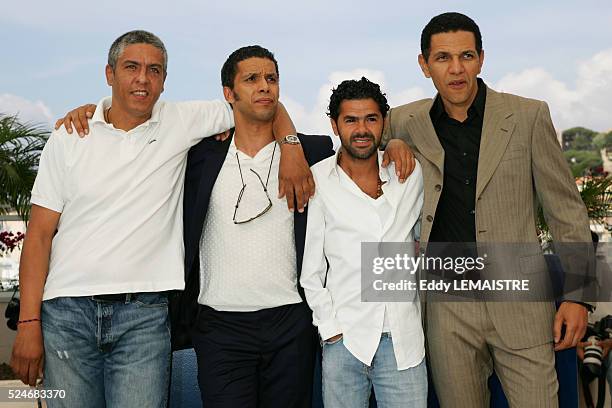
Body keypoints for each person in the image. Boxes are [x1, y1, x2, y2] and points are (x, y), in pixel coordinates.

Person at [9, 31, 301, 408]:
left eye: (154, 70)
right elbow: (39, 235)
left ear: (164, 80)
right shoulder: (69, 135)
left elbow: (262, 104)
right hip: (66, 316)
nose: (143, 79)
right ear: (109, 74)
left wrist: (291, 149)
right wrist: (29, 324)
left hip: (144, 318)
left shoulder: (181, 121)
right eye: (131, 67)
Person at [383, 12, 593, 407]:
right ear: (424, 64)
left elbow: (566, 209)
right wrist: (389, 143)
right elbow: (350, 137)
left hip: (521, 300)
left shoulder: (529, 115)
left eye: (466, 55)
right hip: (446, 304)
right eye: (443, 58)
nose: (456, 69)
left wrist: (578, 297)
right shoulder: (403, 121)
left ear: (481, 58)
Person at [300, 77, 426, 407]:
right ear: (335, 124)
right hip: (346, 342)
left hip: (404, 342)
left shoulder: (410, 175)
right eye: (351, 120)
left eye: (371, 119)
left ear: (383, 122)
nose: (361, 129)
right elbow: (311, 270)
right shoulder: (318, 180)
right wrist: (330, 329)